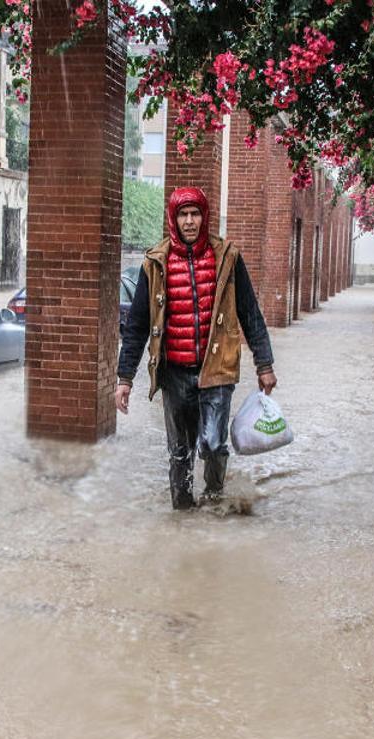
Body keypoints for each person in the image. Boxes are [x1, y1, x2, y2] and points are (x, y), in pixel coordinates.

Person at [116, 186, 277, 510]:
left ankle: (215, 501)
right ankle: (183, 514)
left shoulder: (227, 257)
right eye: (183, 215)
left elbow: (249, 313)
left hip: (216, 369)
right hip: (174, 372)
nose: (189, 221)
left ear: (204, 217)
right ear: (173, 219)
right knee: (180, 453)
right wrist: (125, 378)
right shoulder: (155, 263)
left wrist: (265, 364)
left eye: (195, 214)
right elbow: (137, 326)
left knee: (213, 444)